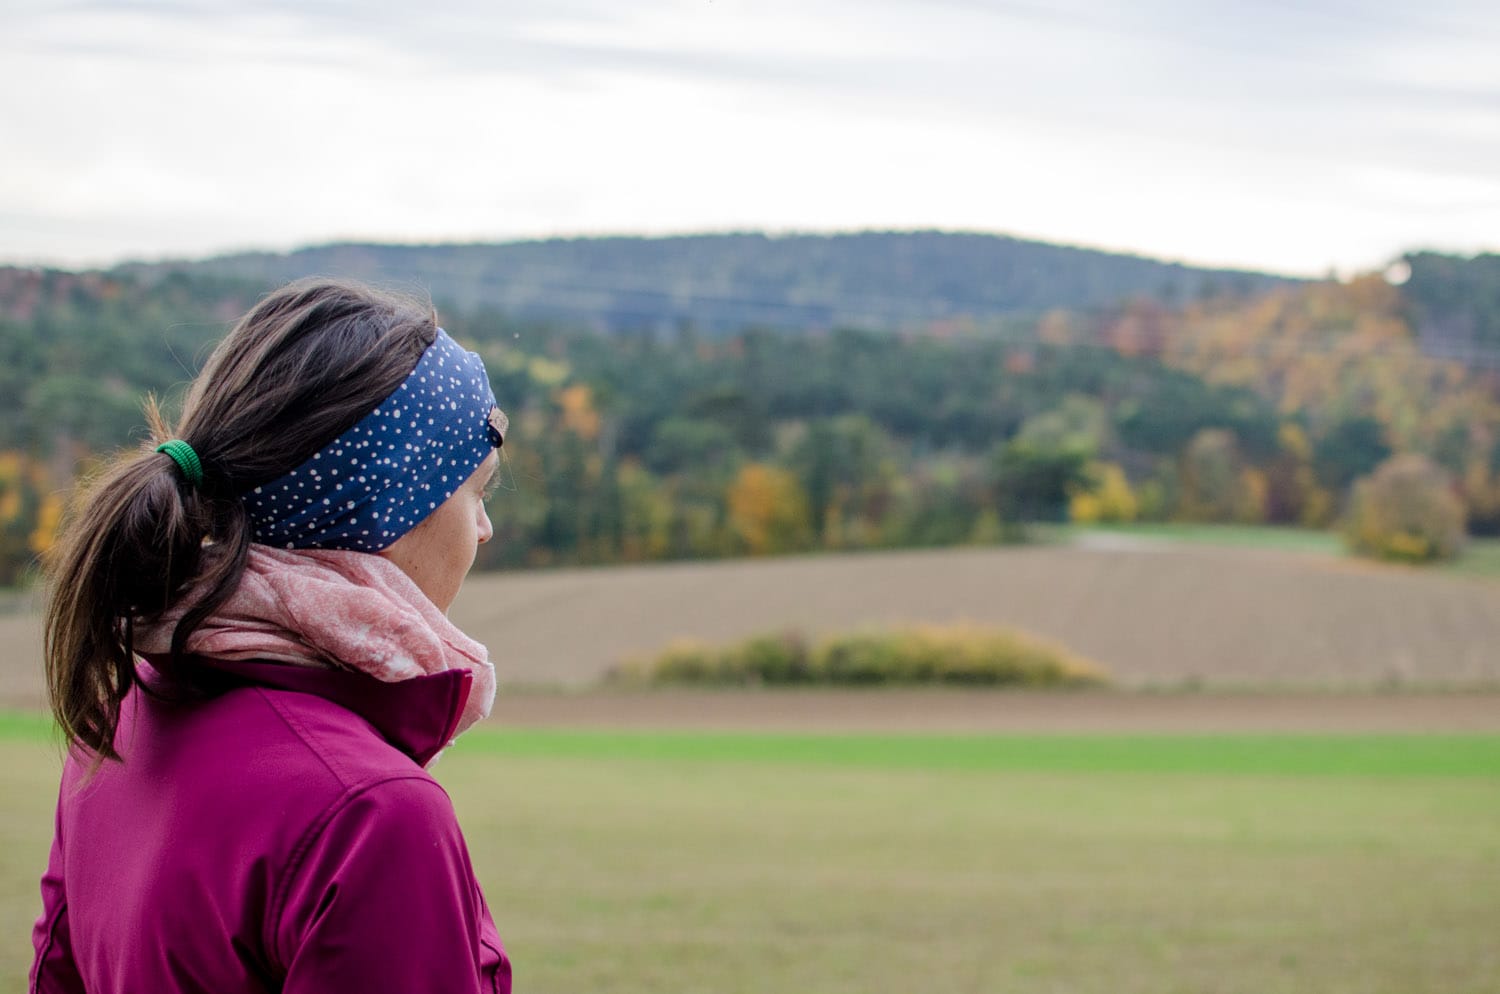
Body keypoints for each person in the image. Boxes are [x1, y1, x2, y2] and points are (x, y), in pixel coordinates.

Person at [30, 279, 513, 993]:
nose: (484, 529)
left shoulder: (115, 727)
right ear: (385, 509)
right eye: (476, 491)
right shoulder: (373, 814)